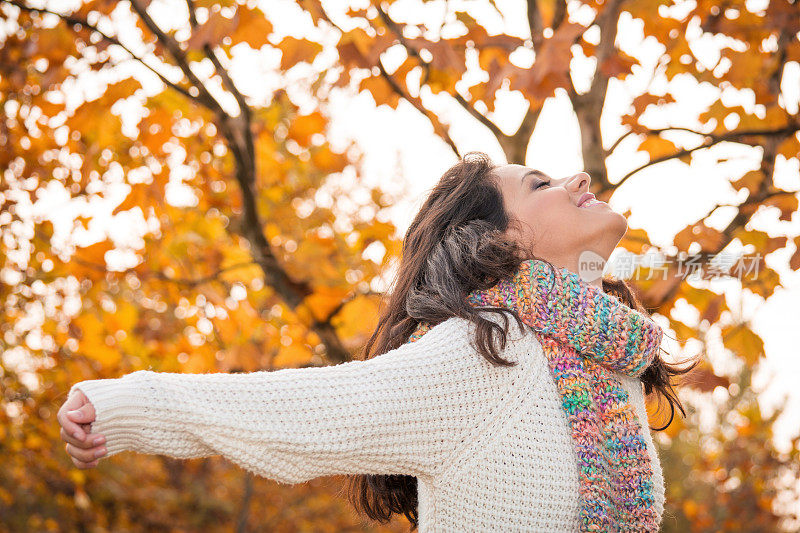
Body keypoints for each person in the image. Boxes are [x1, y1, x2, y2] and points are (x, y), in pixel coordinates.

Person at [58, 152, 695, 532]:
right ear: (497, 237)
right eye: (539, 183)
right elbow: (304, 410)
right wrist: (125, 406)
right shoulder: (485, 349)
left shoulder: (604, 362)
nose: (580, 179)